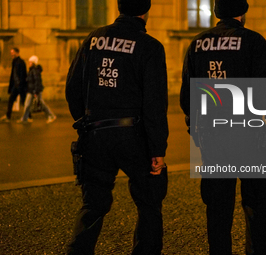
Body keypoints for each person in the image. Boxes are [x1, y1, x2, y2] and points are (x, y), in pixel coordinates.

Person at [180, 0, 266, 254]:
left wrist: (196, 131)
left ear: (216, 13)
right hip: (251, 139)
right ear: (243, 13)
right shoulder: (252, 41)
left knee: (217, 211)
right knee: (257, 209)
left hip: (213, 141)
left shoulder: (197, 44)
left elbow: (187, 98)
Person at [65, 0, 168, 254]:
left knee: (93, 205)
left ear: (119, 8)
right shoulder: (150, 46)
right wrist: (157, 149)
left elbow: (72, 88)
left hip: (95, 133)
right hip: (133, 135)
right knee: (149, 204)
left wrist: (84, 123)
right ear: (145, 11)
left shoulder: (93, 39)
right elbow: (154, 103)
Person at [17, 55, 56, 124]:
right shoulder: (32, 70)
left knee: (41, 104)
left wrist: (35, 91)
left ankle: (51, 116)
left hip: (34, 91)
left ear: (33, 63)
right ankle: (24, 118)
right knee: (27, 104)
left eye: (30, 62)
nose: (29, 63)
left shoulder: (34, 71)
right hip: (31, 90)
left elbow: (37, 82)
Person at [0, 47, 27, 122]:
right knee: (11, 100)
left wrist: (21, 85)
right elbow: (13, 74)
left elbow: (23, 75)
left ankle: (28, 116)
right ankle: (8, 116)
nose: (11, 54)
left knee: (23, 101)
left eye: (13, 52)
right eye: (11, 53)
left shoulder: (21, 62)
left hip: (20, 85)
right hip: (16, 85)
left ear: (17, 53)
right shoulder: (14, 62)